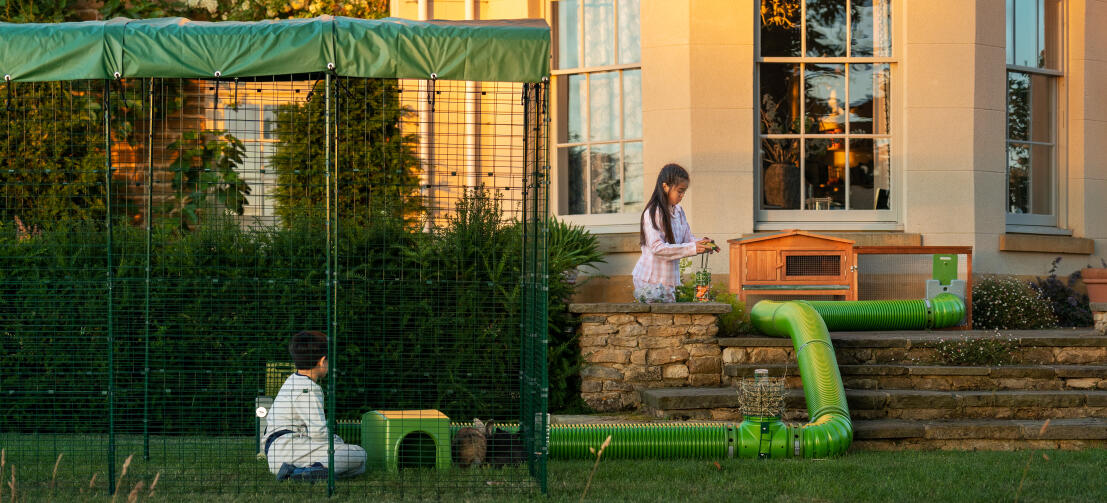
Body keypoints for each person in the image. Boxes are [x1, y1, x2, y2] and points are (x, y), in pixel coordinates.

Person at [263, 330, 367, 481]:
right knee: (358, 454)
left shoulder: (292, 380)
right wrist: (337, 440)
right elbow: (318, 433)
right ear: (322, 361)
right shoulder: (309, 389)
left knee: (358, 464)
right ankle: (303, 472)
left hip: (279, 451)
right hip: (289, 449)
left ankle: (307, 471)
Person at [632, 163, 716, 303]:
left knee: (669, 323)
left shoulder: (678, 211)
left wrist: (703, 243)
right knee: (656, 323)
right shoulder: (653, 212)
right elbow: (657, 248)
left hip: (667, 280)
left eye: (684, 191)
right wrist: (693, 248)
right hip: (649, 280)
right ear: (665, 186)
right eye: (680, 191)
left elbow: (687, 239)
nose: (682, 195)